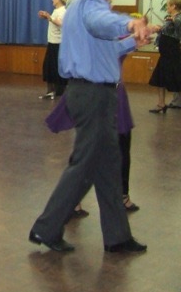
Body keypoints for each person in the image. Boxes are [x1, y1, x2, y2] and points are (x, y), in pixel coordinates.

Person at [29, 0, 154, 254]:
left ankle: (117, 237)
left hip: (93, 94)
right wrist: (130, 22)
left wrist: (131, 41)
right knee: (83, 165)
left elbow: (103, 44)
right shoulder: (90, 7)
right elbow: (104, 23)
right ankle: (45, 228)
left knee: (109, 166)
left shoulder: (79, 7)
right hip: (93, 95)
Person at [46, 55, 140, 215]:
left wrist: (135, 32)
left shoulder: (111, 34)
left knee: (121, 146)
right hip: (94, 96)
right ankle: (71, 201)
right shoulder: (91, 37)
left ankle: (121, 195)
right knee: (86, 151)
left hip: (114, 95)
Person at [147, 0, 181, 113]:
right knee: (160, 78)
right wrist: (159, 29)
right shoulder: (169, 18)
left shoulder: (178, 18)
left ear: (174, 6)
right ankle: (161, 104)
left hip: (174, 55)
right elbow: (166, 31)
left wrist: (174, 21)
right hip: (165, 55)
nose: (167, 7)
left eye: (168, 5)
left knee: (177, 78)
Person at [38, 0, 68, 99]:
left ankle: (59, 91)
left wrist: (49, 17)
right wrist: (47, 17)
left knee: (56, 67)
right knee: (48, 67)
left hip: (58, 44)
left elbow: (60, 23)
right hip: (52, 42)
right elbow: (54, 22)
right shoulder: (56, 11)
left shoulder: (63, 11)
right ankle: (50, 91)